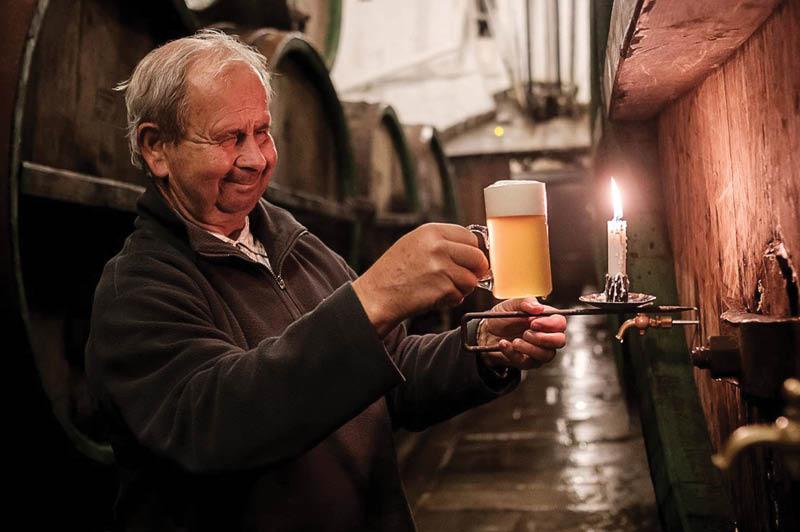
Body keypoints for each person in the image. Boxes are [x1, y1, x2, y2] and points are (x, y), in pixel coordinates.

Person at [85, 30, 567, 531]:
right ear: (156, 147)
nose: (255, 158)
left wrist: (480, 347)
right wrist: (374, 296)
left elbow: (389, 370)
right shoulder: (138, 288)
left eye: (262, 132)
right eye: (230, 138)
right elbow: (220, 422)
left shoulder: (291, 241)